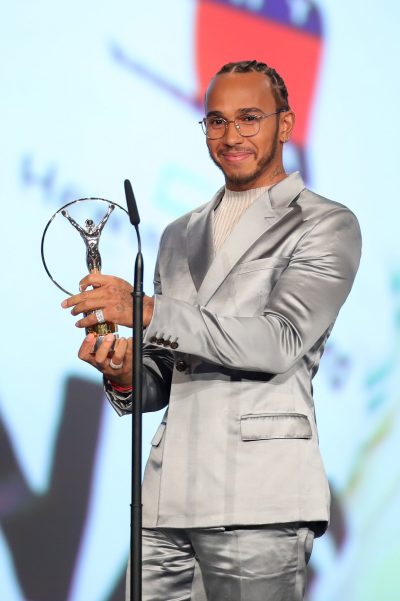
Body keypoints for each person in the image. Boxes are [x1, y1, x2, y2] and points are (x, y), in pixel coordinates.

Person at [62, 60, 361, 601]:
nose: (231, 136)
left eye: (249, 118)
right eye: (216, 122)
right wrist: (126, 371)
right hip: (165, 501)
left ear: (286, 123)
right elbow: (165, 377)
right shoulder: (179, 234)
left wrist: (148, 311)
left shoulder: (324, 223)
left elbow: (278, 341)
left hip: (261, 500)